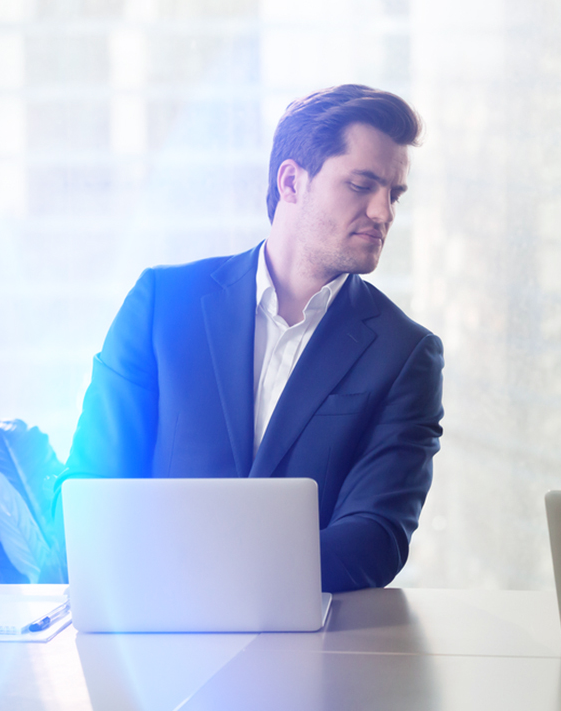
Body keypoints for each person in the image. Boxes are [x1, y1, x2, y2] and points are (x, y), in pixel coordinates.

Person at [56, 85, 444, 593]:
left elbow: (377, 536)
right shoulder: (162, 304)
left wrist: (213, 576)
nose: (383, 212)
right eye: (362, 185)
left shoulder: (404, 353)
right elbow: (89, 487)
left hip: (313, 655)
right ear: (291, 181)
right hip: (154, 639)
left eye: (393, 194)